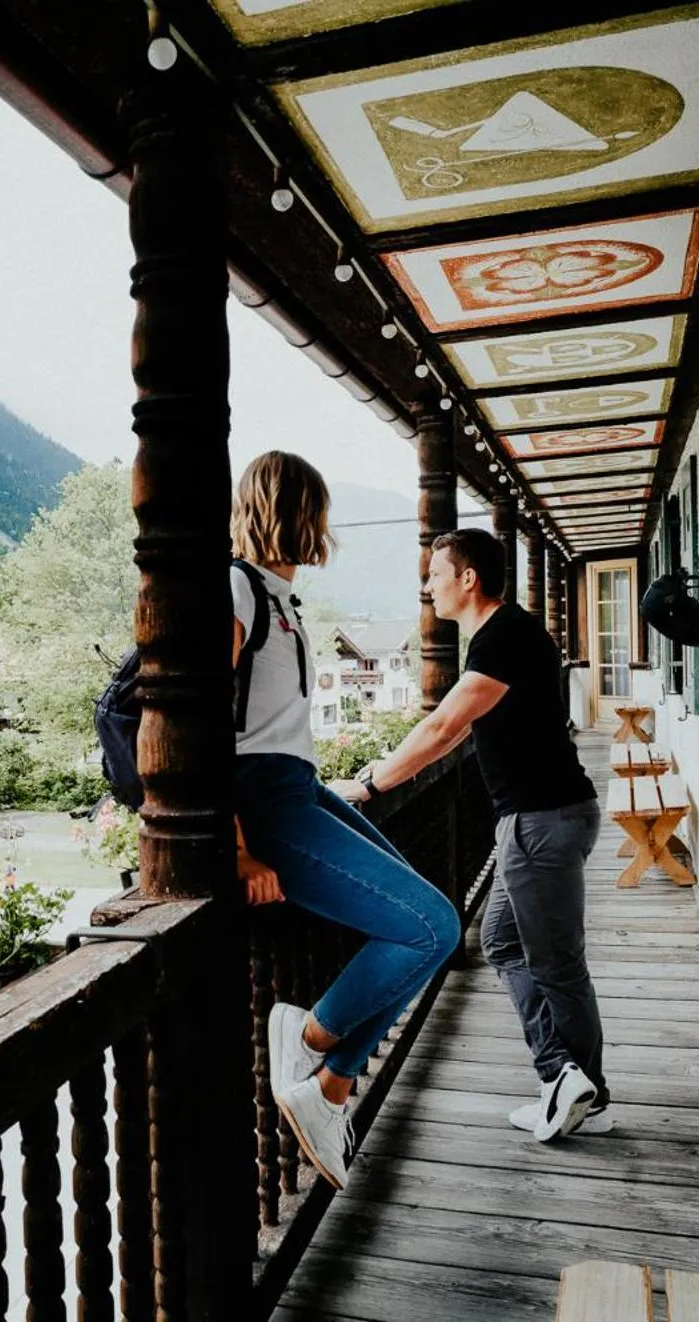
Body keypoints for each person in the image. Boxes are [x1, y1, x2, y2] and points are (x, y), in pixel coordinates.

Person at [231, 451, 461, 1191]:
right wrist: (236, 849)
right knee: (430, 926)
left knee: (423, 919)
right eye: (319, 512)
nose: (324, 527)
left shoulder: (273, 597)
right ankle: (310, 1047)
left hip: (292, 786)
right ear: (298, 512)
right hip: (259, 801)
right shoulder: (233, 590)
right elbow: (194, 722)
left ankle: (327, 1085)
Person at [330, 528, 606, 1142]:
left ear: (467, 578)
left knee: (556, 964)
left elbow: (442, 726)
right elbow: (455, 731)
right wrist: (380, 771)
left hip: (541, 822)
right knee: (506, 945)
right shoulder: (503, 636)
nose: (427, 586)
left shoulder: (503, 637)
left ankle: (568, 1079)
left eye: (434, 574)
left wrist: (371, 787)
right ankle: (573, 1084)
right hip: (541, 820)